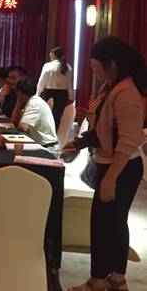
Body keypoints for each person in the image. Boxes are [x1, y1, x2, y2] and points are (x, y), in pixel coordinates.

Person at [63, 37, 146, 291]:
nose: (91, 67)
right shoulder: (111, 87)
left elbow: (127, 141)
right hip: (115, 165)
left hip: (120, 168)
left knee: (103, 225)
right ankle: (117, 278)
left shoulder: (126, 93)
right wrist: (79, 143)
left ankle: (97, 281)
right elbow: (104, 129)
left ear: (111, 64)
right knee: (115, 223)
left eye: (94, 63)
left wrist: (110, 178)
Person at [11, 78, 58, 147]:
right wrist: (19, 102)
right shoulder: (33, 100)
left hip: (47, 148)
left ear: (19, 92)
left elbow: (22, 128)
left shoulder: (34, 104)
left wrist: (19, 100)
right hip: (41, 145)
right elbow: (15, 121)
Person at [37, 46, 74, 130]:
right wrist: (71, 96)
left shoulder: (48, 66)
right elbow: (69, 83)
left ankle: (48, 130)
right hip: (63, 94)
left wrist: (38, 93)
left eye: (50, 54)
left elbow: (42, 81)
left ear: (53, 54)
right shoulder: (68, 67)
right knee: (57, 114)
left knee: (49, 113)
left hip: (50, 92)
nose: (50, 56)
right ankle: (56, 130)